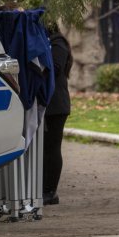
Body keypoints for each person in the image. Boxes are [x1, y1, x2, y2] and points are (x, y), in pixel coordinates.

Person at [43, 25, 72, 205]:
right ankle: (44, 187)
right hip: (48, 103)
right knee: (45, 148)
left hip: (56, 104)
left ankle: (50, 190)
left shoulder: (57, 42)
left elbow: (55, 66)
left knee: (52, 147)